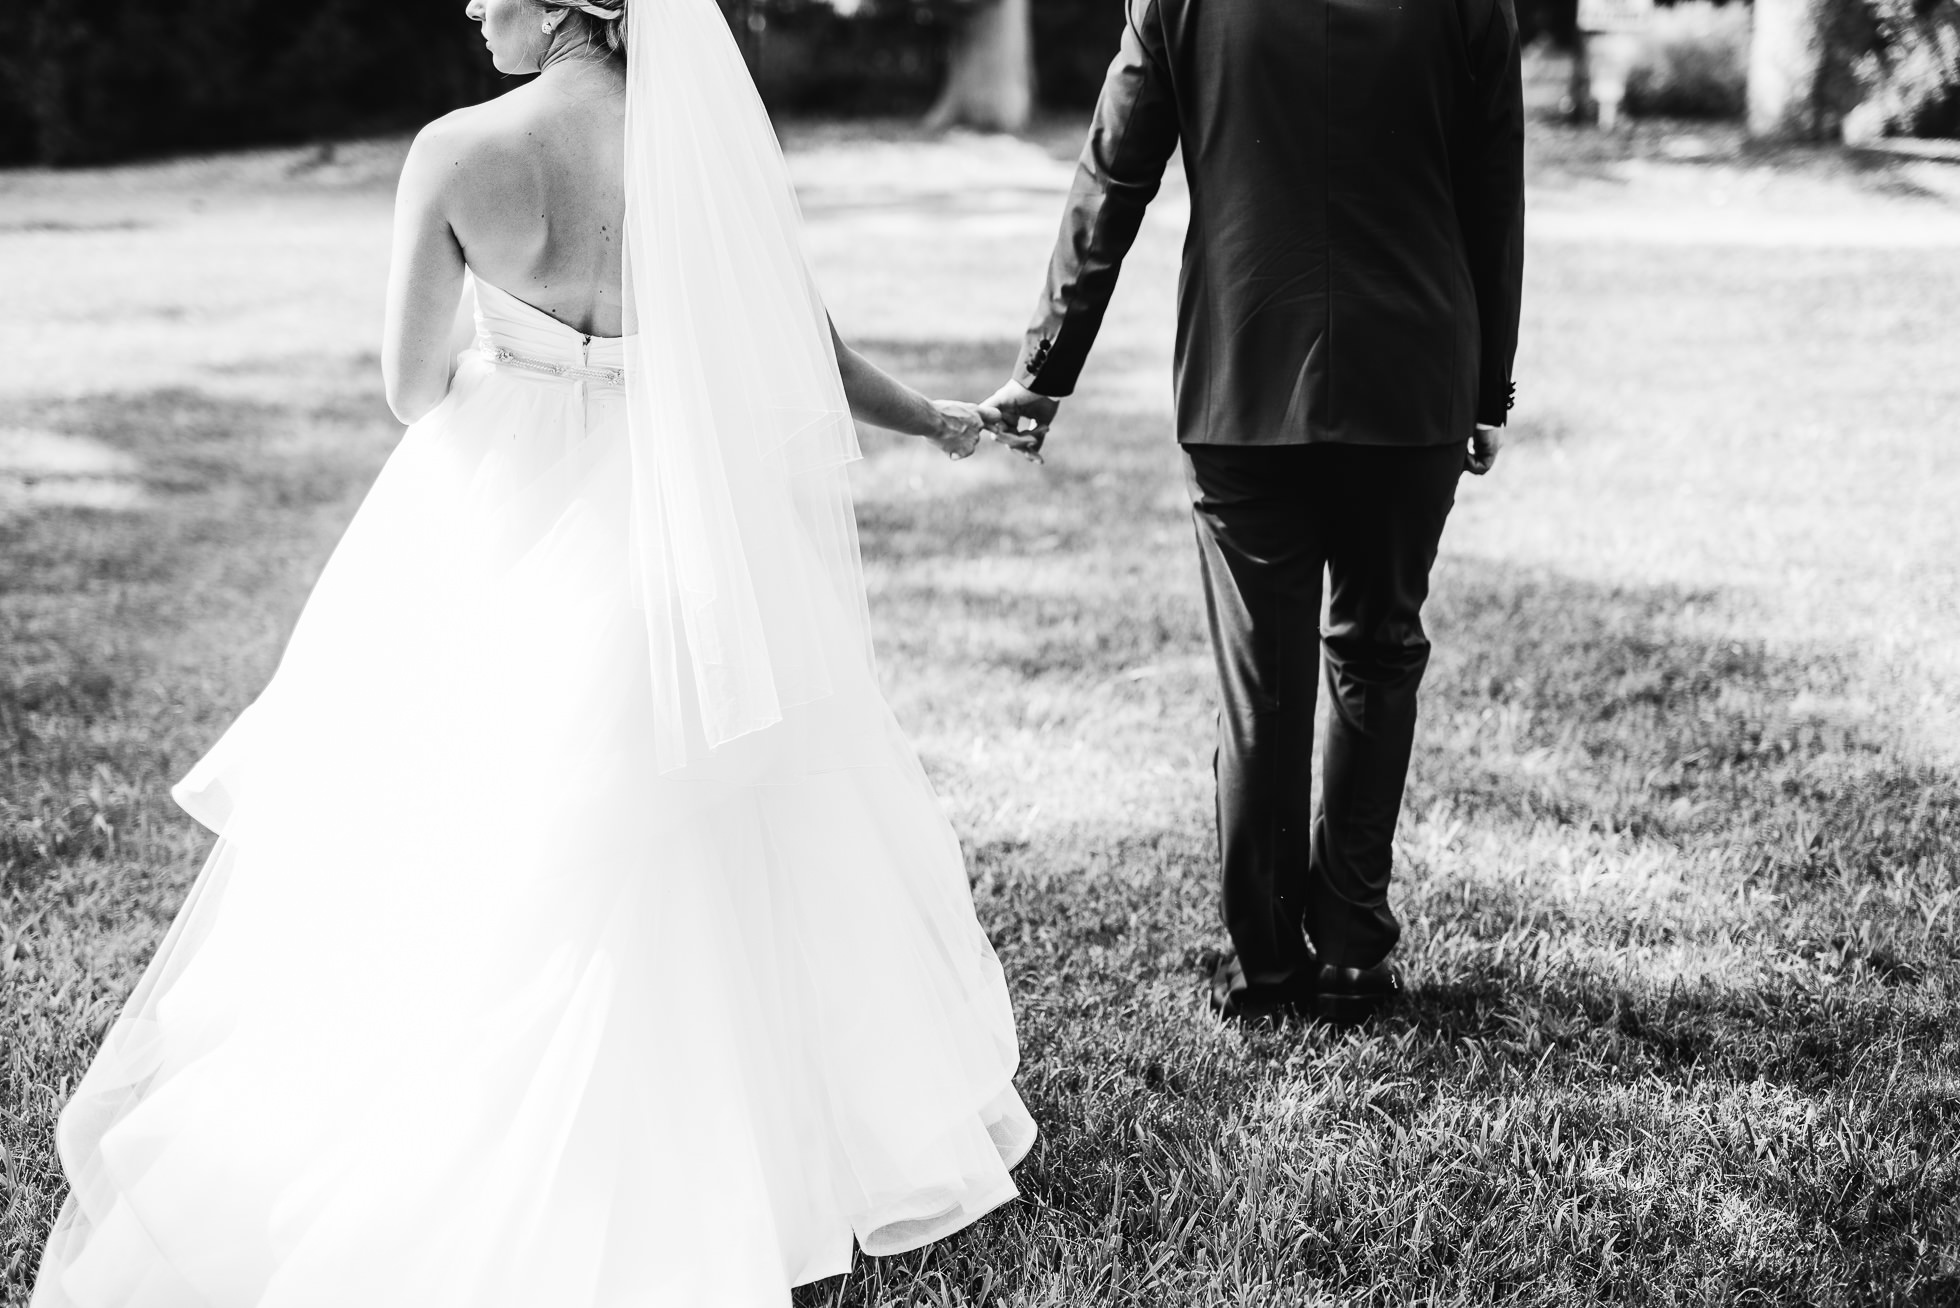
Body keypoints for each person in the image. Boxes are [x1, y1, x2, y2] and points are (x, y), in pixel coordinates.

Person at [30, 2, 1039, 1304]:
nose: (465, 4)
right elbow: (800, 337)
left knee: (466, 812)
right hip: (678, 526)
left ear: (574, 0)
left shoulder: (456, 151)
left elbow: (408, 389)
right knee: (705, 819)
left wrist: (524, 356)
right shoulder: (700, 141)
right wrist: (933, 418)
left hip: (500, 503)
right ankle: (753, 1133)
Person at [986, 0, 1526, 1023]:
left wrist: (1046, 368)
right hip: (1411, 371)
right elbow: (1494, 185)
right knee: (1376, 650)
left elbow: (1114, 172)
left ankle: (1272, 966)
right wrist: (1487, 383)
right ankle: (1354, 948)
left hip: (1243, 379)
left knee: (1263, 686)